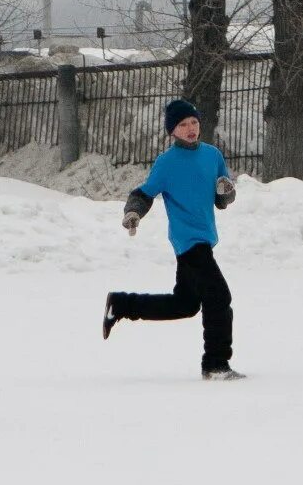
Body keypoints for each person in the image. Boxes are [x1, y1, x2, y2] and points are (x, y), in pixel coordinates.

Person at [103, 99, 243, 381]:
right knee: (218, 297)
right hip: (188, 241)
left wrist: (226, 191)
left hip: (204, 237)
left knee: (186, 304)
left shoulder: (212, 155)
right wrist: (133, 212)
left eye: (193, 123)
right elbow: (144, 193)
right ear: (173, 131)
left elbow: (222, 199)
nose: (190, 129)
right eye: (183, 125)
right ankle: (215, 364)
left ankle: (121, 304)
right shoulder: (166, 163)